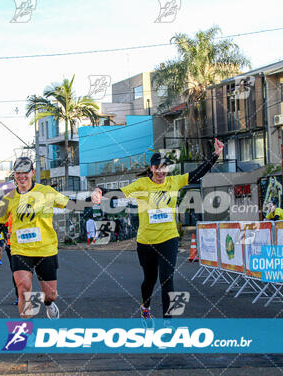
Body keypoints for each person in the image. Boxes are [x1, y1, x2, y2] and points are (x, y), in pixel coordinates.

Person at [92, 138, 224, 325]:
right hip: (146, 241)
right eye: (158, 168)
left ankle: (168, 323)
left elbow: (196, 174)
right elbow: (120, 193)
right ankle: (145, 308)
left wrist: (215, 156)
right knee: (149, 280)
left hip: (169, 238)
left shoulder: (174, 182)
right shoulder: (141, 185)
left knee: (167, 279)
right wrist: (100, 190)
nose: (161, 172)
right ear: (152, 169)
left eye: (165, 168)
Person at [0, 157, 74, 319]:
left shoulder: (46, 192)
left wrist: (92, 200)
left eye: (25, 172)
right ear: (14, 175)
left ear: (32, 173)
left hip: (45, 249)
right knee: (24, 289)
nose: (21, 176)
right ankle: (27, 330)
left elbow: (71, 204)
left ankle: (48, 304)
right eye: (18, 173)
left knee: (50, 294)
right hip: (20, 250)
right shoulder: (8, 198)